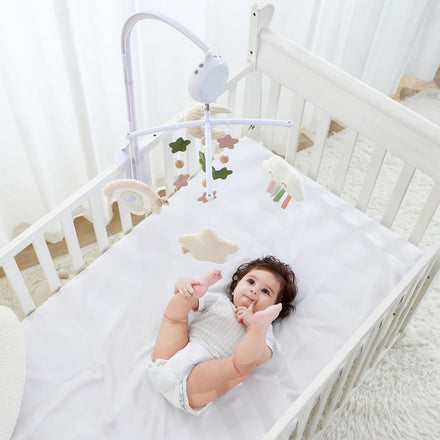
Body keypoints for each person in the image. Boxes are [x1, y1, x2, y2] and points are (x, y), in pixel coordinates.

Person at [147, 255, 297, 415]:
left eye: (265, 291)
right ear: (236, 285)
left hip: (196, 383)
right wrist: (184, 285)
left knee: (239, 368)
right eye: (251, 282)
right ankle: (195, 287)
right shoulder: (219, 301)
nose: (254, 290)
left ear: (275, 308)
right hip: (171, 356)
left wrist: (253, 327)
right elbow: (190, 304)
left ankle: (254, 329)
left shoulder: (264, 329)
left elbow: (261, 357)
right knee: (175, 318)